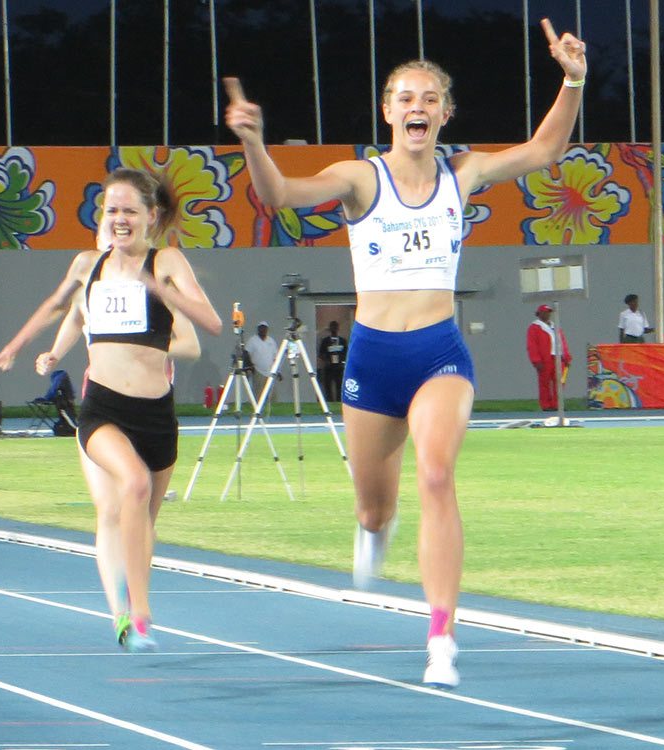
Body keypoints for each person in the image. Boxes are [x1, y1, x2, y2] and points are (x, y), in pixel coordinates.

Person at [224, 17, 586, 689]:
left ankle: (442, 634)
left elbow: (542, 151)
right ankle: (372, 530)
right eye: (404, 98)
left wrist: (571, 79)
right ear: (387, 112)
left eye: (428, 98)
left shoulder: (464, 172)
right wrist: (253, 142)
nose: (416, 107)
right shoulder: (359, 179)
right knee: (374, 508)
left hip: (439, 353)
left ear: (445, 113)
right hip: (373, 360)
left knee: (439, 474)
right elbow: (279, 197)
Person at [0, 167, 222, 652]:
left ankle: (137, 613)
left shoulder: (168, 261)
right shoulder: (89, 265)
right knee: (131, 486)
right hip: (103, 406)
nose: (120, 219)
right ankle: (130, 613)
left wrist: (161, 289)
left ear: (152, 216)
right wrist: (14, 349)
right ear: (101, 216)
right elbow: (55, 307)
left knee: (143, 518)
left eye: (130, 210)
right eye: (112, 211)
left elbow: (210, 323)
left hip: (157, 413)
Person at [526, 304, 572, 411]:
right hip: (545, 359)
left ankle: (557, 404)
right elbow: (532, 345)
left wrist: (567, 356)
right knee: (544, 383)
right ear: (539, 314)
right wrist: (536, 360)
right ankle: (546, 405)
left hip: (559, 357)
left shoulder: (555, 326)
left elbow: (562, 342)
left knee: (559, 382)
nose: (548, 314)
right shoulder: (534, 328)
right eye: (545, 312)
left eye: (549, 312)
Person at [245, 320, 279, 406]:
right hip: (258, 371)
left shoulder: (271, 341)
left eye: (265, 328)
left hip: (270, 372)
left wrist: (277, 370)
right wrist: (250, 366)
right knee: (258, 394)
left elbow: (275, 357)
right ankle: (258, 410)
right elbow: (246, 353)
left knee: (272, 395)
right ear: (258, 329)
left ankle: (273, 412)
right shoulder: (253, 340)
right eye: (261, 328)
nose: (263, 330)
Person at [317, 320, 348, 403]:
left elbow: (346, 353)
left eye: (335, 327)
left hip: (339, 367)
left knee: (339, 385)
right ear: (330, 328)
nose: (334, 329)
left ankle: (339, 401)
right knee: (327, 386)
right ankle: (329, 402)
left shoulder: (342, 341)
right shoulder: (325, 341)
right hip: (329, 367)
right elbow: (321, 353)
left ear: (338, 328)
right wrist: (326, 360)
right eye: (332, 327)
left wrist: (342, 361)